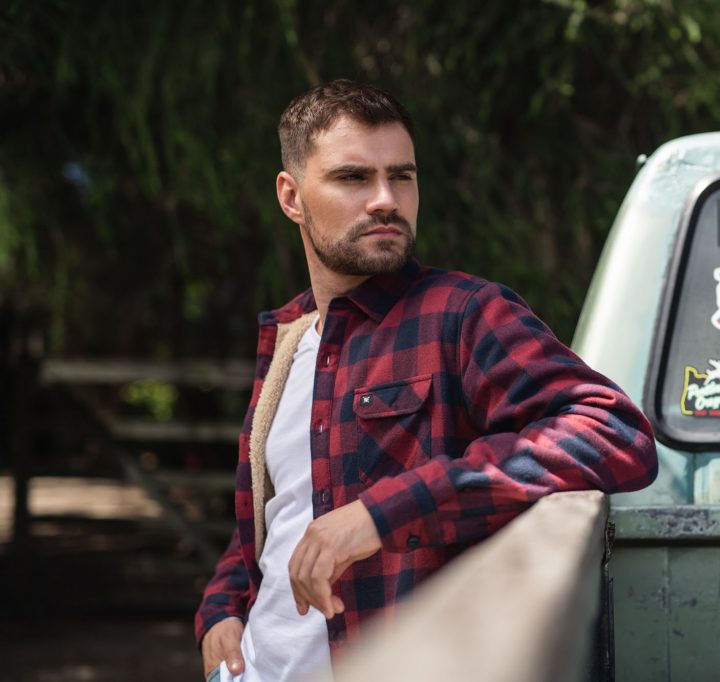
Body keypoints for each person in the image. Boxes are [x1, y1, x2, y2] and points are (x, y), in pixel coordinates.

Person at [195, 78, 658, 681]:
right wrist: (223, 605)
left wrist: (381, 513)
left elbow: (613, 434)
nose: (385, 200)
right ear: (291, 196)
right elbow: (275, 509)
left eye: (402, 177)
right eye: (353, 177)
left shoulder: (464, 314)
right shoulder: (287, 340)